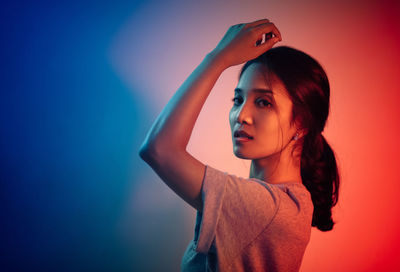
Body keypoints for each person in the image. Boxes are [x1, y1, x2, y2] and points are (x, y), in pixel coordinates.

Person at [139, 19, 340, 272]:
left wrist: (218, 58)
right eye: (238, 99)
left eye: (264, 102)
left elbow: (159, 149)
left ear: (302, 122)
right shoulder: (285, 204)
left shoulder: (270, 208)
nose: (240, 115)